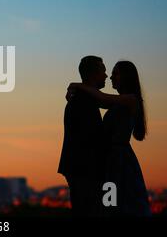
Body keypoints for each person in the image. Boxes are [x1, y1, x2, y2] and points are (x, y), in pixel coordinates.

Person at [67, 60, 151, 216]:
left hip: (120, 161)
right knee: (111, 203)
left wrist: (76, 85)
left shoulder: (130, 100)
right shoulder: (118, 102)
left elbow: (102, 97)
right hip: (112, 159)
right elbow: (98, 99)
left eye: (115, 73)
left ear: (126, 77)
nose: (111, 77)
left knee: (119, 202)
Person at [58, 56, 108, 216]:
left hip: (82, 169)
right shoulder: (83, 100)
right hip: (86, 170)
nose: (106, 76)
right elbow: (90, 137)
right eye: (103, 71)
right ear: (94, 74)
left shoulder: (81, 98)